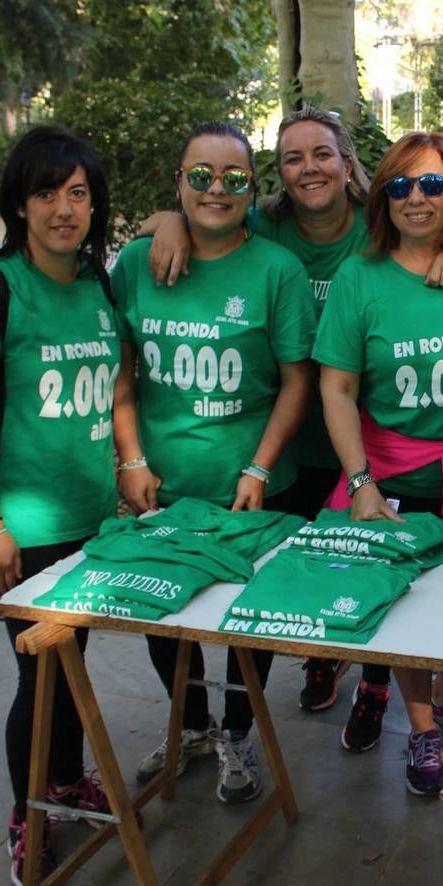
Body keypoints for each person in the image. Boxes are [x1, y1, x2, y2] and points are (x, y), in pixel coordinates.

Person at [143, 105, 443, 751]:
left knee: (383, 580)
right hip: (288, 447)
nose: (309, 168)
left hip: (370, 443)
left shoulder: (379, 225)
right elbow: (204, 206)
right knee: (315, 583)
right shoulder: (267, 229)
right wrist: (169, 217)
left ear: (348, 163)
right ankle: (312, 666)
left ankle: (373, 687)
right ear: (276, 175)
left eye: (322, 154)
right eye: (292, 158)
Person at [111, 121, 315, 805]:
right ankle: (190, 726)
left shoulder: (276, 270)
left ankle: (235, 730)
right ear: (178, 181)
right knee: (165, 622)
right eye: (200, 176)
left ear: (252, 191)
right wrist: (131, 456)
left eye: (233, 178)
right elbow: (122, 368)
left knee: (247, 622)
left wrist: (257, 468)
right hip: (163, 483)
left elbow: (297, 380)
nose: (215, 190)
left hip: (250, 488)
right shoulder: (139, 264)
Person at [0, 125, 116, 886]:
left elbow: (120, 384)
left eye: (78, 194)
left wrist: (131, 465)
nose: (63, 209)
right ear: (19, 201)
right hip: (26, 528)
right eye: (47, 193)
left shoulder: (98, 283)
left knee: (72, 664)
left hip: (95, 522)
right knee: (38, 676)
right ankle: (28, 812)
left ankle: (68, 779)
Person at [315, 131, 443, 796]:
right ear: (383, 197)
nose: (416, 199)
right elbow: (336, 386)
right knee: (410, 613)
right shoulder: (360, 277)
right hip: (396, 476)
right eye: (400, 186)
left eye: (432, 184)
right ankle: (420, 727)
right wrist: (362, 484)